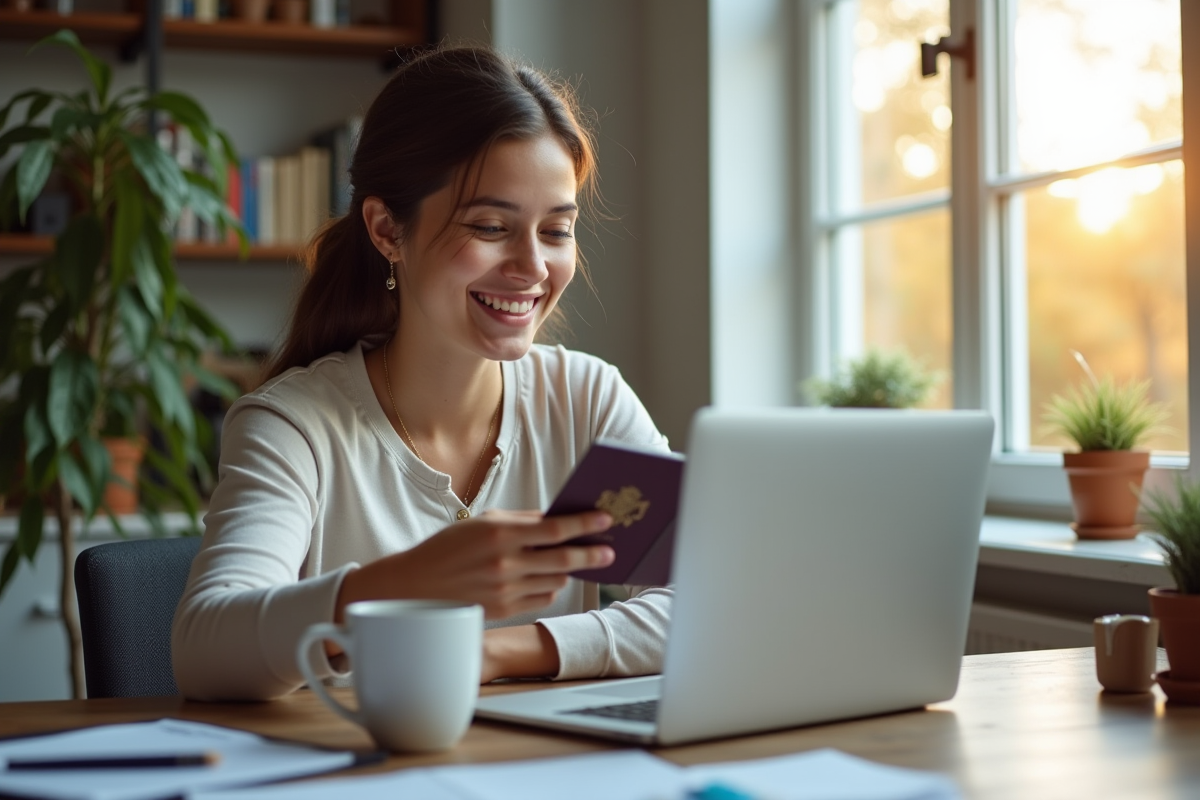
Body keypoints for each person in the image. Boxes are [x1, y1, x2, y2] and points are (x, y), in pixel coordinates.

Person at [171, 44, 672, 701]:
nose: (532, 267)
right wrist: (406, 584)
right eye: (491, 226)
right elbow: (206, 649)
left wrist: (497, 651)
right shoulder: (294, 425)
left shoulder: (586, 400)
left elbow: (704, 600)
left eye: (556, 231)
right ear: (386, 230)